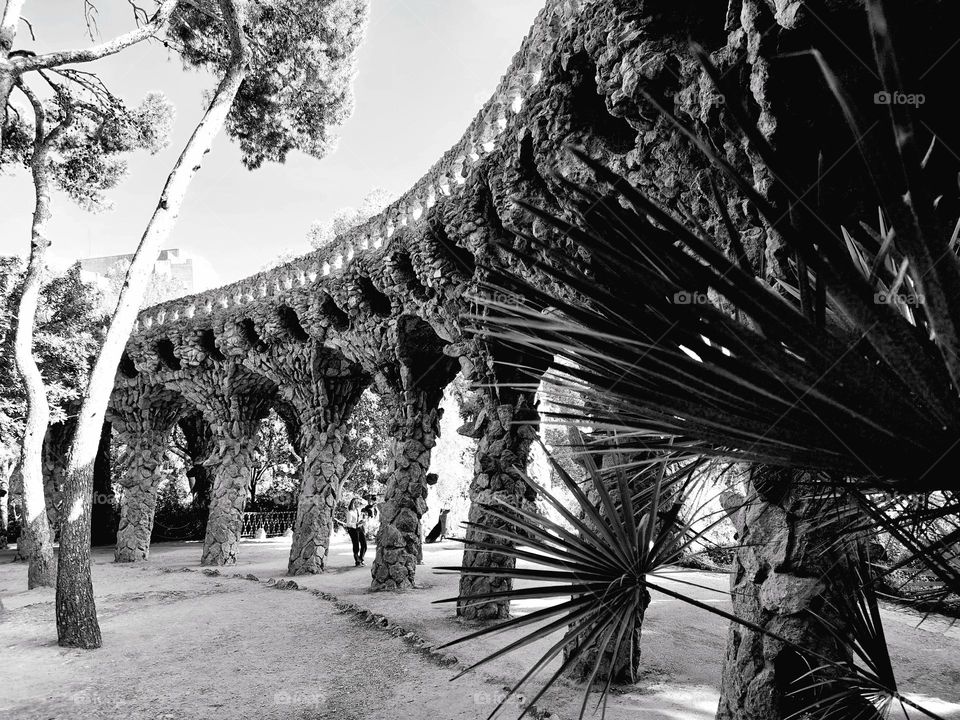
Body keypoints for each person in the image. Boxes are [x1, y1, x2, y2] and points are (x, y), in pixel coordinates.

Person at [337, 497, 367, 567]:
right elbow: (348, 524)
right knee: (356, 545)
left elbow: (365, 504)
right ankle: (357, 561)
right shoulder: (350, 512)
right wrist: (356, 523)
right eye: (357, 503)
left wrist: (363, 521)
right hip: (353, 529)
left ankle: (361, 559)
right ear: (353, 504)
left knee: (364, 544)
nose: (359, 504)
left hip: (360, 528)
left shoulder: (358, 510)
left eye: (359, 502)